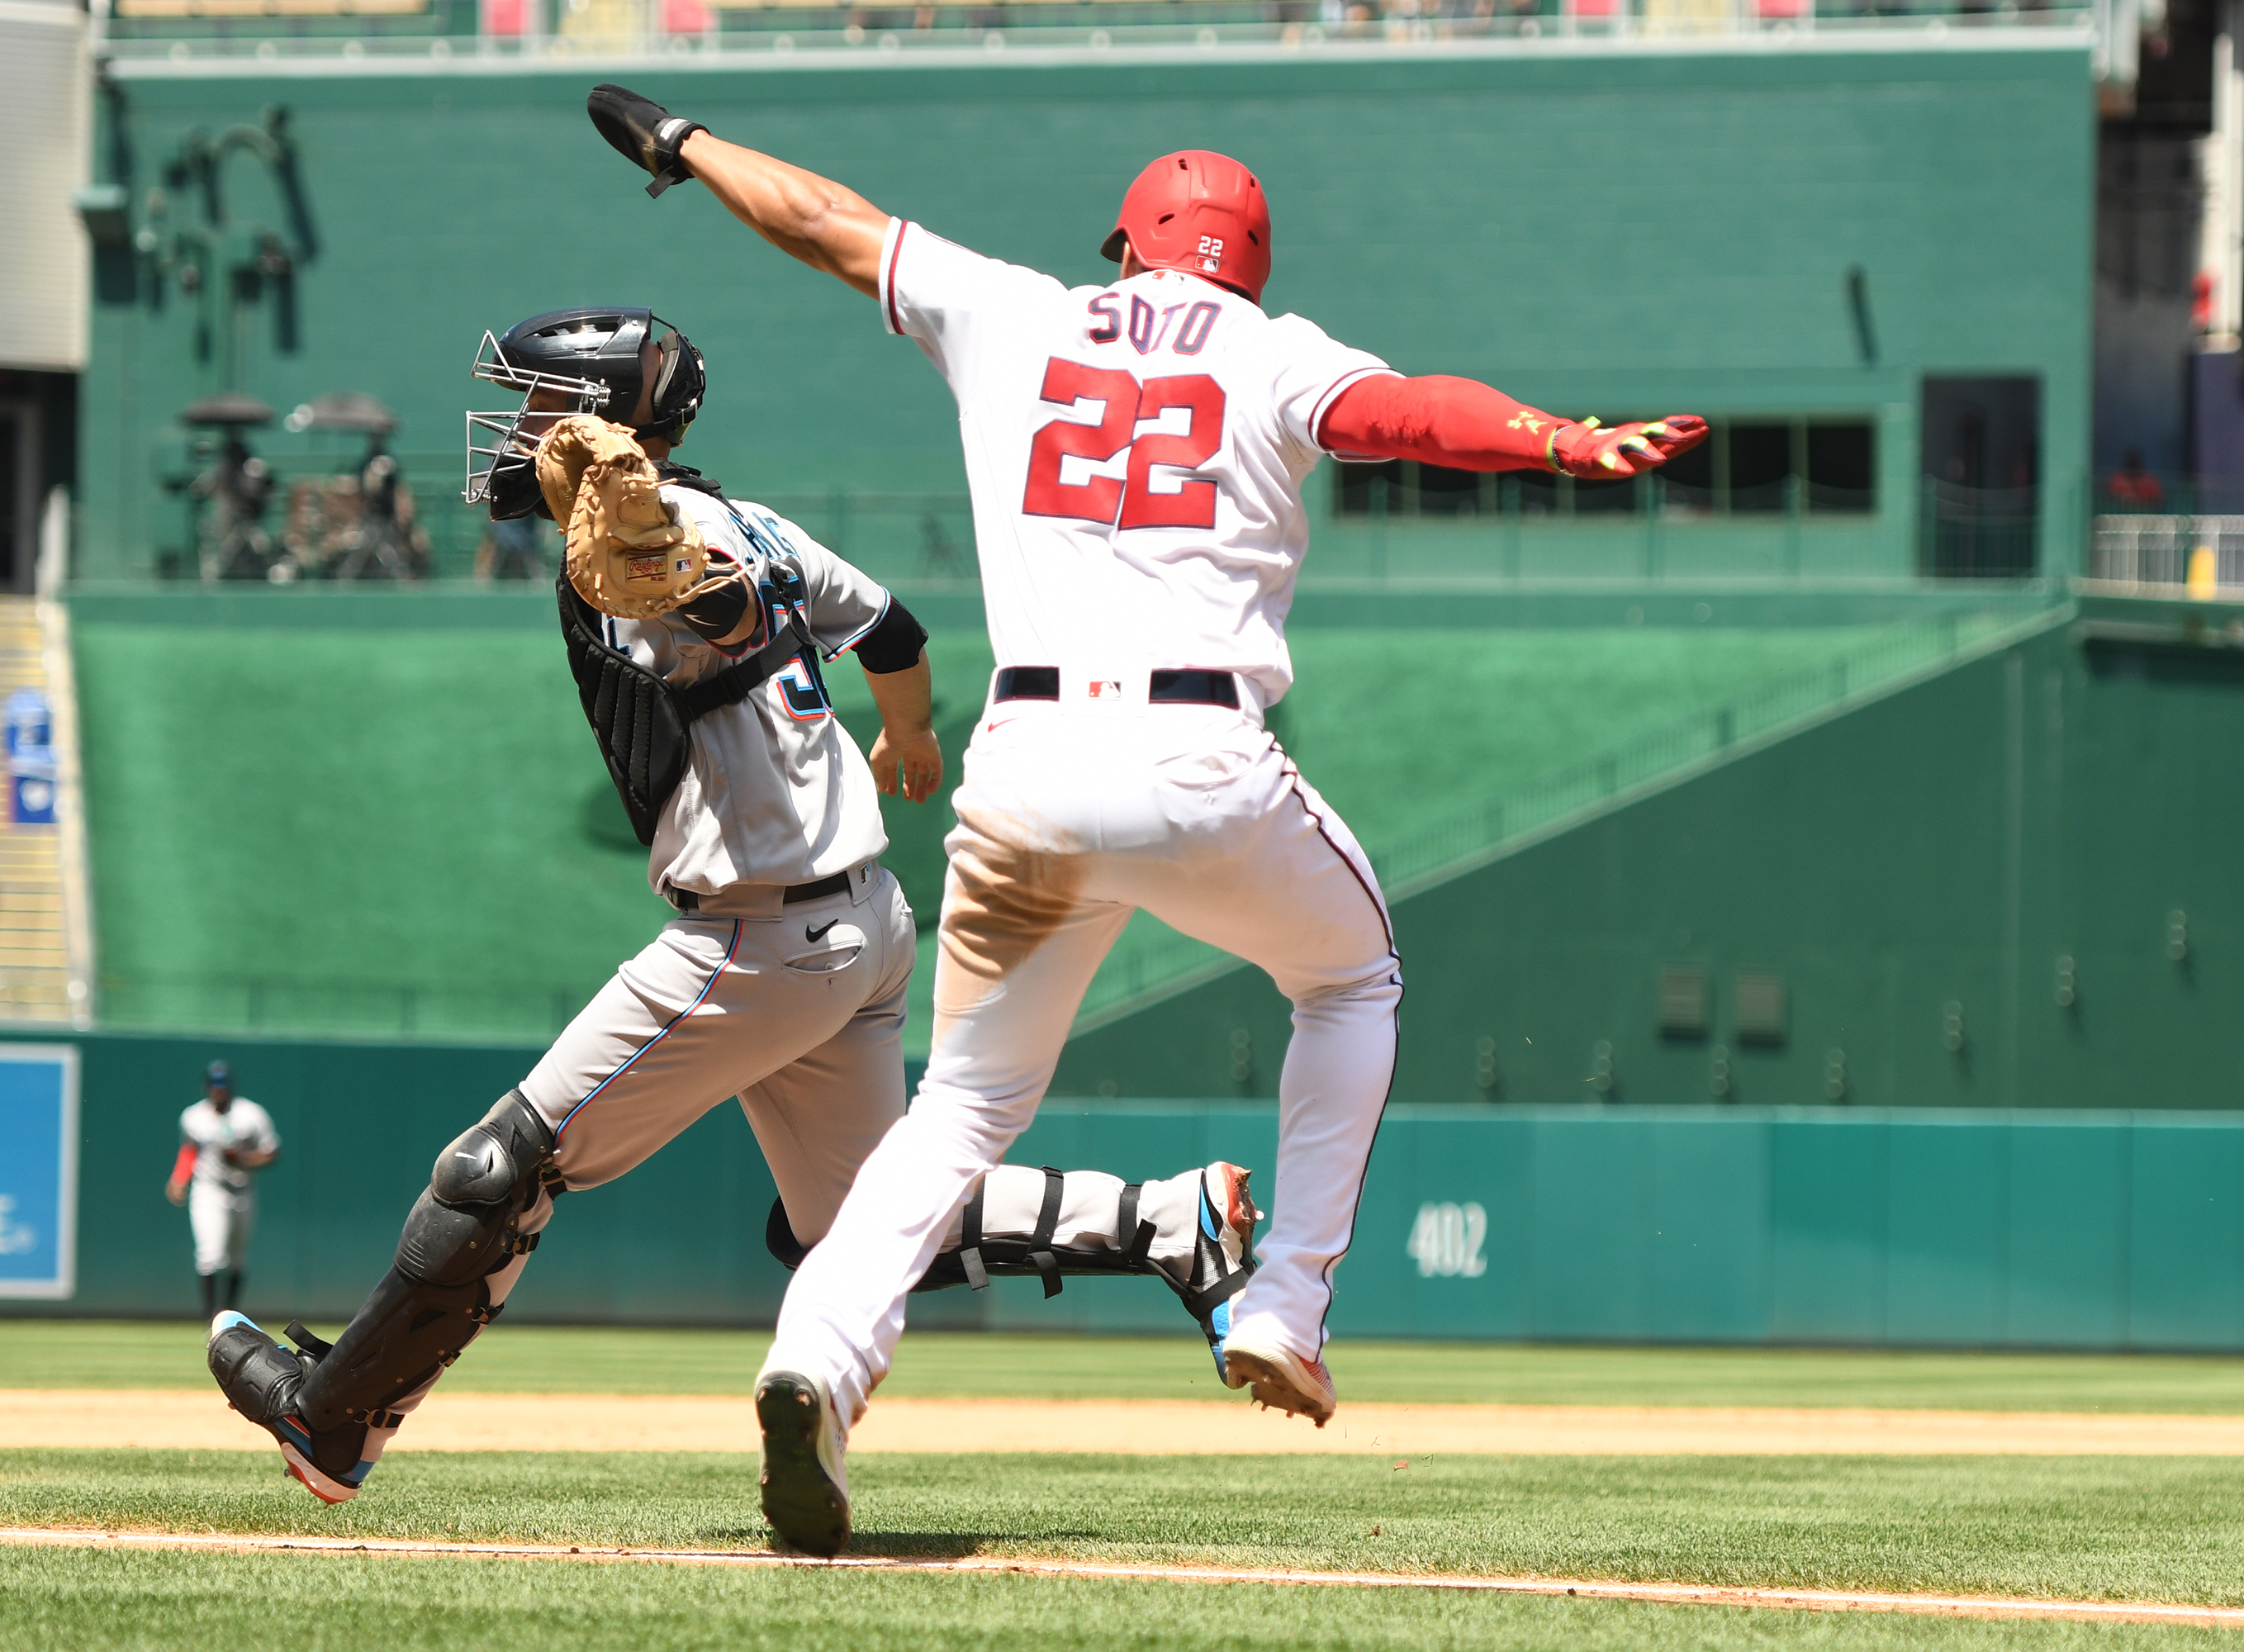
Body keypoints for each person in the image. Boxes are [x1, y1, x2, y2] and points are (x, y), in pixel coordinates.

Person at [581, 88, 1710, 1553]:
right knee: (1349, 976)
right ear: (1246, 262)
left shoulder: (1016, 311)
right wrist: (1556, 443)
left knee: (961, 1110)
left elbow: (826, 223)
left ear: (1129, 245)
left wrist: (689, 147)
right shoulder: (1274, 350)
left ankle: (816, 1362)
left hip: (1028, 765)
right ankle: (1287, 1301)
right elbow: (1407, 413)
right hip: (1199, 758)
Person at [205, 306, 1262, 1507]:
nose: (524, 430)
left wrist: (688, 587)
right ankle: (1173, 1224)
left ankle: (335, 1420)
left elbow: (723, 611)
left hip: (758, 937)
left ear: (608, 423)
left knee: (500, 1167)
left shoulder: (647, 538)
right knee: (863, 1225)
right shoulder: (747, 516)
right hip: (863, 925)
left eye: (546, 405)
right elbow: (894, 628)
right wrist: (908, 731)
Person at [168, 1061, 280, 1318]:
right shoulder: (194, 1116)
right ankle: (212, 1320)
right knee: (210, 1254)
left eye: (224, 1085)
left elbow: (272, 1152)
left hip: (243, 1189)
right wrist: (179, 1178)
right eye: (215, 1085)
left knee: (237, 1259)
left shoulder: (251, 1114)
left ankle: (230, 1317)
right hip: (209, 1190)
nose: (219, 1090)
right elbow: (189, 1151)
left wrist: (245, 1160)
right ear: (207, 1087)